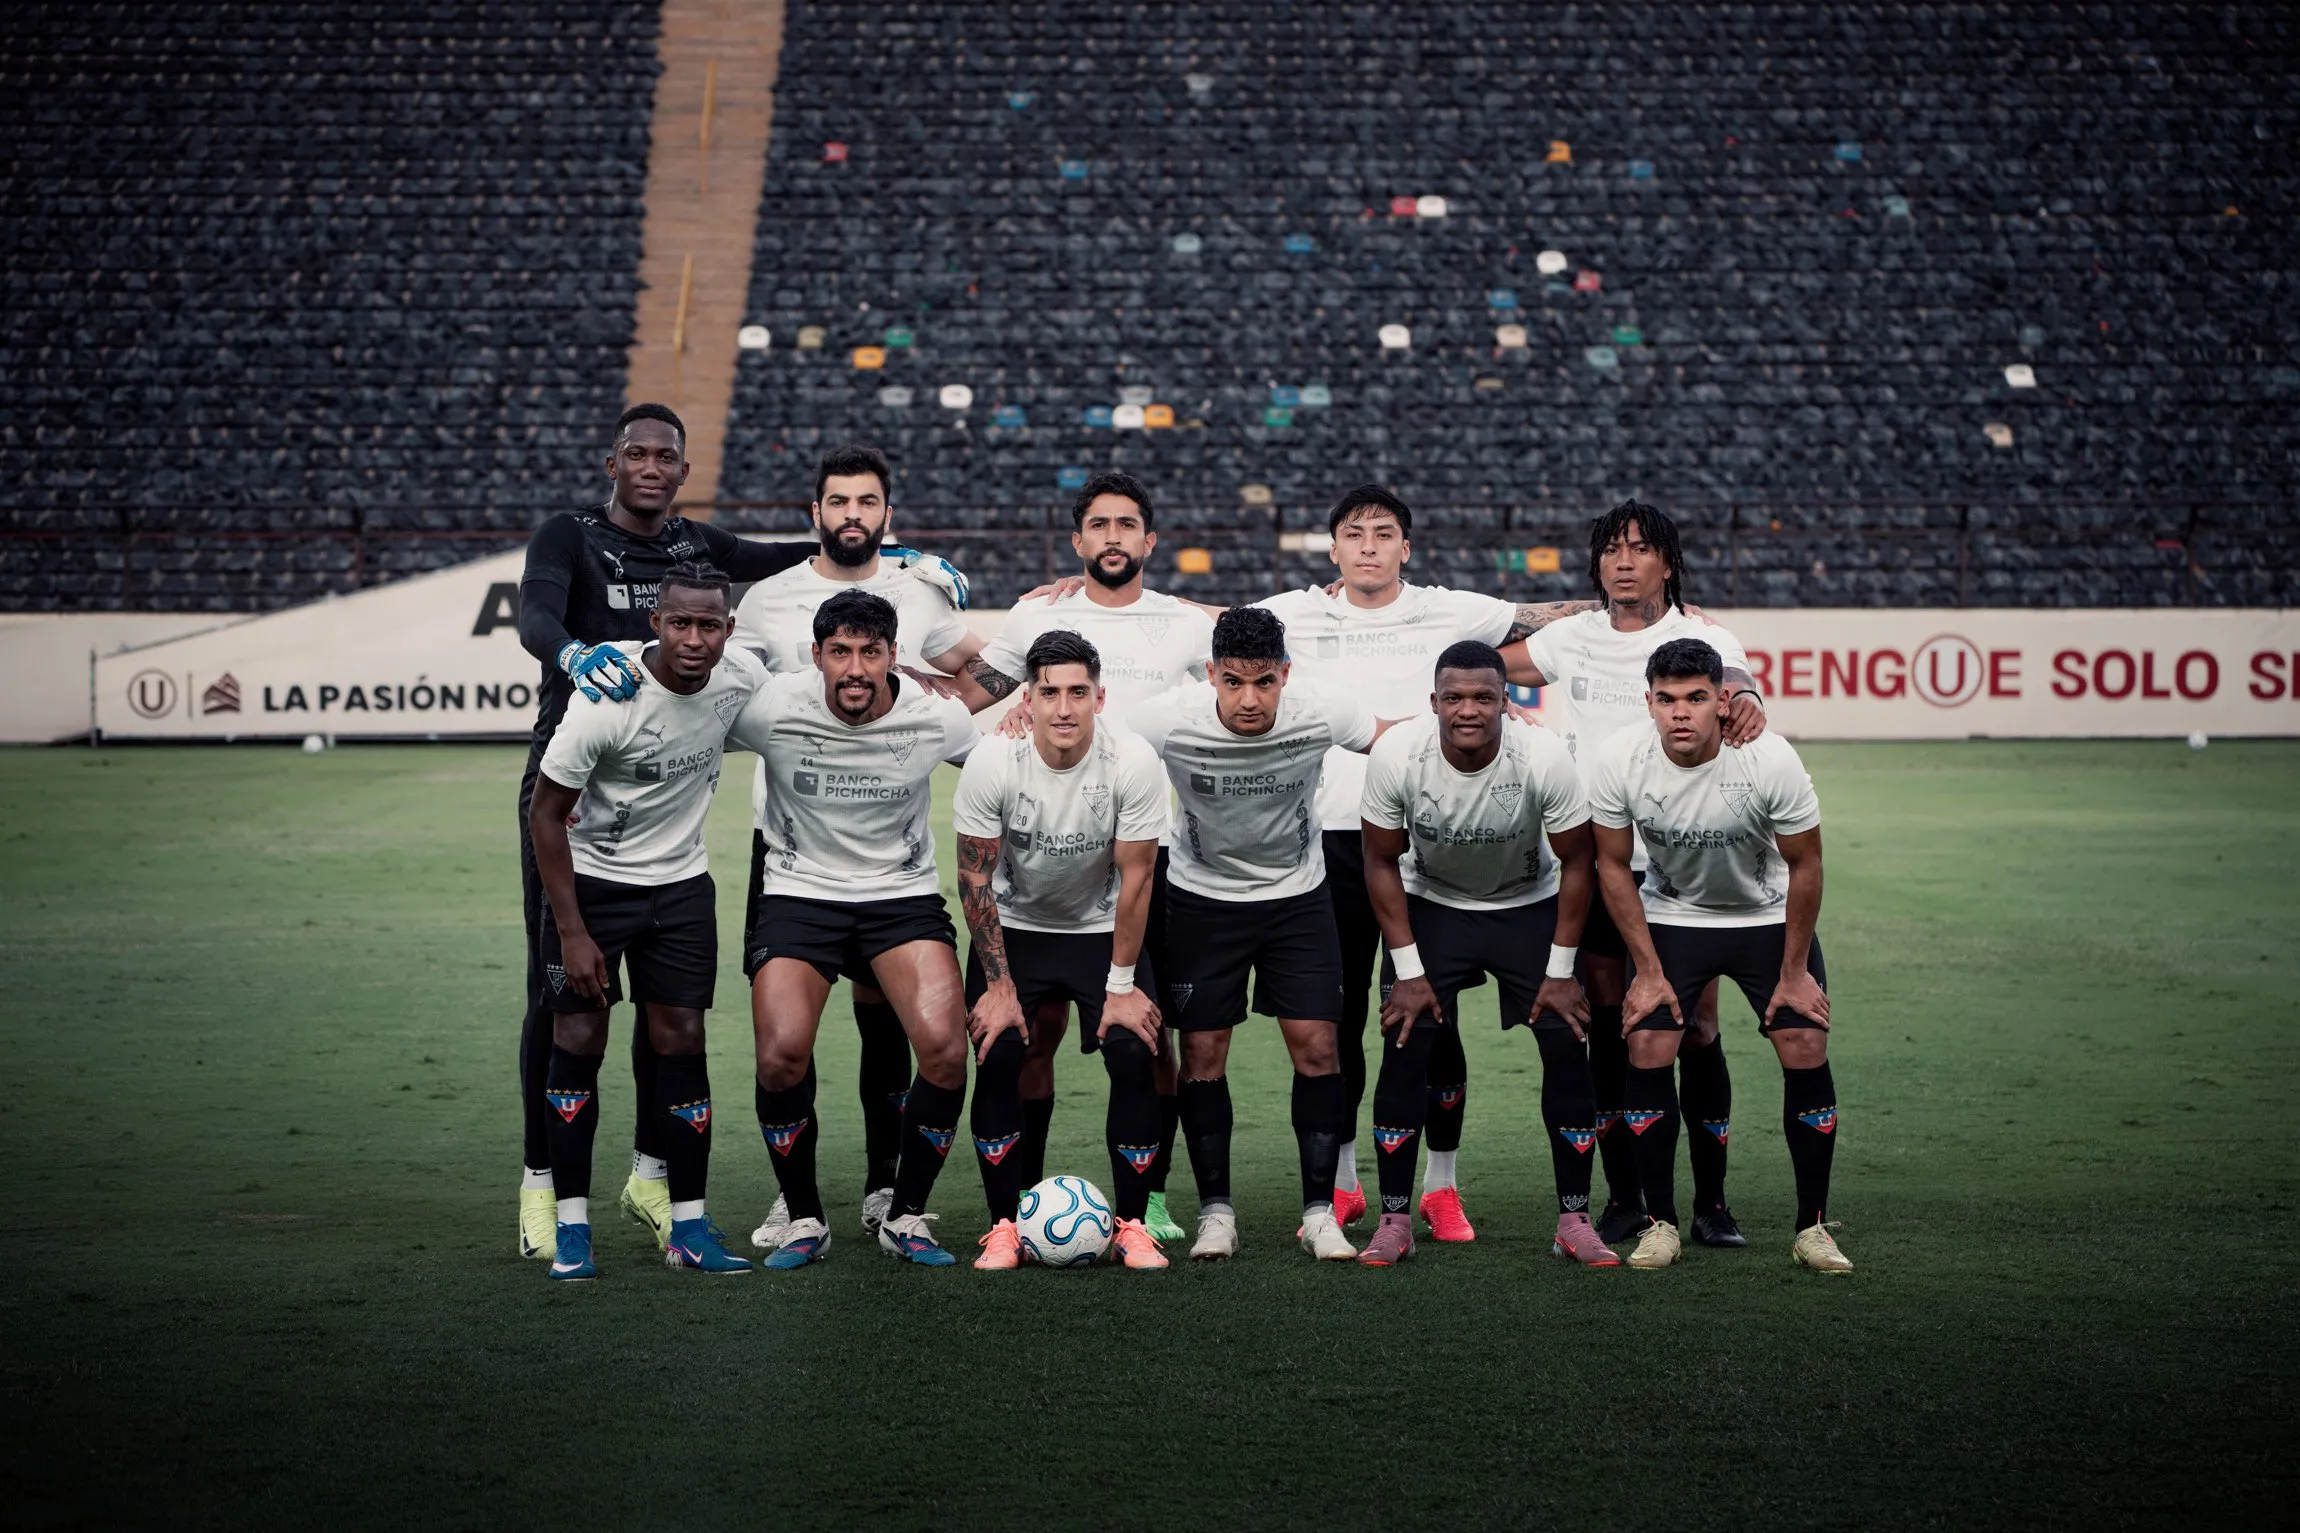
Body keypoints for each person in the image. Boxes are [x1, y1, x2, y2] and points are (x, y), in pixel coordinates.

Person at [513, 403, 816, 1260]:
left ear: (683, 470)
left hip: (671, 827)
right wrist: (571, 654)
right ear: (611, 461)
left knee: (673, 1023)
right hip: (577, 777)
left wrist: (886, 558)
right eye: (635, 453)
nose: (649, 466)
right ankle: (544, 1188)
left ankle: (657, 1179)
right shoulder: (569, 536)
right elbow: (535, 618)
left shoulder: (695, 549)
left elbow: (791, 560)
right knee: (565, 1003)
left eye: (665, 456)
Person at [1252, 484, 1595, 1242]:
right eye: (1354, 533)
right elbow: (1205, 630)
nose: (1369, 545)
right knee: (1335, 1022)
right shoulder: (1293, 612)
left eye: (1384, 533)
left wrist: (1664, 614)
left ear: (1407, 546)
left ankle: (1440, 1187)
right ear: (1333, 547)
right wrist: (1074, 596)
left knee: (1432, 1023)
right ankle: (1340, 1184)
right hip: (1326, 839)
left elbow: (1556, 619)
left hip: (1424, 840)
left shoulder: (1450, 609)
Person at [947, 470, 1214, 1241]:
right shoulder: (1040, 610)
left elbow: (1250, 653)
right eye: (1098, 524)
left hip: (1134, 862)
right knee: (1028, 1042)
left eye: (1127, 524)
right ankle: (1017, 1210)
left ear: (1150, 540)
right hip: (1036, 883)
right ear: (1077, 540)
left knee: (1146, 1037)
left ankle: (1150, 1199)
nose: (1112, 537)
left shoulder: (1184, 621)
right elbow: (973, 689)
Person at [731, 444, 981, 1253]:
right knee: (780, 1055)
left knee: (944, 1050)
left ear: (894, 658)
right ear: (816, 656)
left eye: (871, 654)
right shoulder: (769, 705)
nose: (855, 669)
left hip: (899, 895)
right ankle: (802, 1212)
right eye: (840, 653)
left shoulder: (935, 714)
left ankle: (901, 1209)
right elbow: (686, 702)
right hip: (796, 886)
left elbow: (1000, 723)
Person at [1516, 499, 1768, 1249]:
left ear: (1667, 561)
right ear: (1596, 564)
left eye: (1641, 548)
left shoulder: (1703, 635)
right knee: (1607, 1024)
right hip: (1594, 859)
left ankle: (1712, 1202)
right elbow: (1478, 666)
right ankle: (1626, 1196)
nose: (1625, 561)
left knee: (1693, 1026)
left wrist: (1747, 696)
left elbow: (1741, 680)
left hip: (1681, 863)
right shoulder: (1573, 637)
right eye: (1612, 550)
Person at [1129, 606, 1395, 1261]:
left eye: (1264, 682)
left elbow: (1395, 740)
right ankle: (1217, 1212)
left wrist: (1488, 722)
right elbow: (1089, 742)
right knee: (1203, 1057)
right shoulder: (1167, 718)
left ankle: (1318, 1213)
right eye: (1233, 682)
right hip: (1201, 902)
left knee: (1318, 1049)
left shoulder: (1323, 709)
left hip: (1298, 902)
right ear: (1211, 675)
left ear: (1286, 674)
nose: (1249, 699)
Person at [524, 562, 763, 1280]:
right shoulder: (606, 698)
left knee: (682, 1038)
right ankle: (572, 1228)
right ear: (655, 623)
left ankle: (687, 1227)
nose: (695, 639)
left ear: (728, 629)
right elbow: (545, 814)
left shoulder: (739, 678)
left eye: (709, 625)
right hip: (593, 887)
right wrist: (572, 931)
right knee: (580, 1036)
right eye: (681, 623)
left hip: (682, 886)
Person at [1584, 638, 1851, 1274]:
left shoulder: (1768, 759)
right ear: (1648, 702)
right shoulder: (1620, 757)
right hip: (1675, 918)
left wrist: (1793, 974)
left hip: (1767, 919)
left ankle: (1812, 1228)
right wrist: (1647, 972)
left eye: (1697, 698)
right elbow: (1614, 867)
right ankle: (1660, 1224)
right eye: (1668, 699)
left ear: (1722, 700)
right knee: (1648, 1045)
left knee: (1804, 1041)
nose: (1681, 712)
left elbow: (1806, 863)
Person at [1357, 641, 1617, 1267]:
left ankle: (1573, 1220)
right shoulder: (1398, 755)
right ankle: (1395, 1220)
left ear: (1507, 702)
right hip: (1434, 902)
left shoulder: (1543, 755)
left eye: (1483, 698)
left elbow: (1579, 861)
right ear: (1433, 704)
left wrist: (1560, 973)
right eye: (1454, 698)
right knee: (1404, 1037)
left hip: (1527, 902)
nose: (1467, 710)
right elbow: (1379, 861)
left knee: (1565, 1038)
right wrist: (1409, 973)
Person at [951, 631, 1171, 1270]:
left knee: (1135, 1051)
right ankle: (1003, 1227)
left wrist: (1123, 985)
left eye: (1079, 692)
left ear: (1101, 697)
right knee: (999, 1050)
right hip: (1015, 928)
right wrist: (998, 986)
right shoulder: (996, 760)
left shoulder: (1131, 760)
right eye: (1050, 693)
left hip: (1101, 930)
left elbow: (1137, 880)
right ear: (1029, 697)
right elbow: (974, 878)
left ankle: (1131, 1225)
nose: (1065, 708)